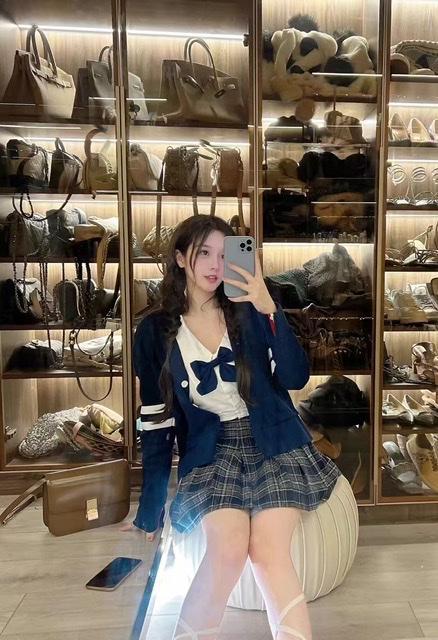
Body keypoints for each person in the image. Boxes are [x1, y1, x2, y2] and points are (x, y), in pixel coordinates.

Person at [131, 214, 341, 640]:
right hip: (212, 450)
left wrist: (269, 308)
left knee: (268, 550)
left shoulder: (249, 308)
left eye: (223, 254)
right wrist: (150, 505)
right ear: (180, 258)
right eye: (203, 253)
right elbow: (156, 420)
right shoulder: (154, 330)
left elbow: (295, 377)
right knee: (226, 551)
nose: (215, 265)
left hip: (274, 439)